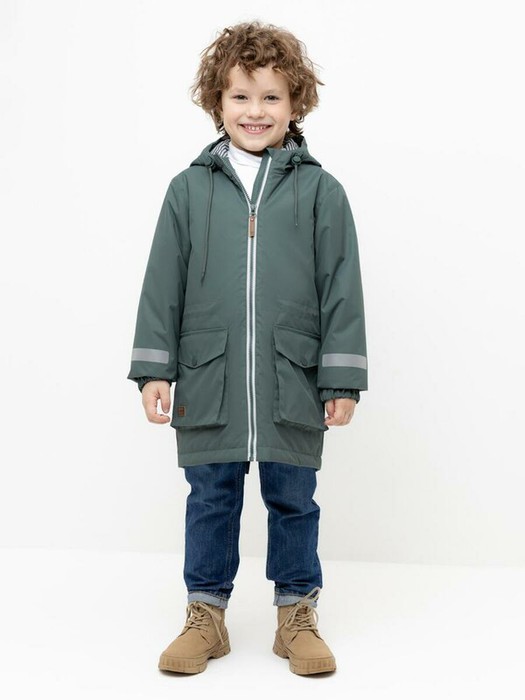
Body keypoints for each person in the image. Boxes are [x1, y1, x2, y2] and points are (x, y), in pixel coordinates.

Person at [127, 20, 368, 676]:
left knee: (294, 499)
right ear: (217, 101)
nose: (254, 111)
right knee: (210, 498)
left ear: (295, 104)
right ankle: (205, 614)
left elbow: (341, 287)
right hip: (210, 377)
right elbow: (163, 283)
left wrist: (340, 379)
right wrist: (155, 369)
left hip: (292, 378)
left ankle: (296, 614)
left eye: (270, 97)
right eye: (240, 96)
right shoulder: (188, 190)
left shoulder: (320, 191)